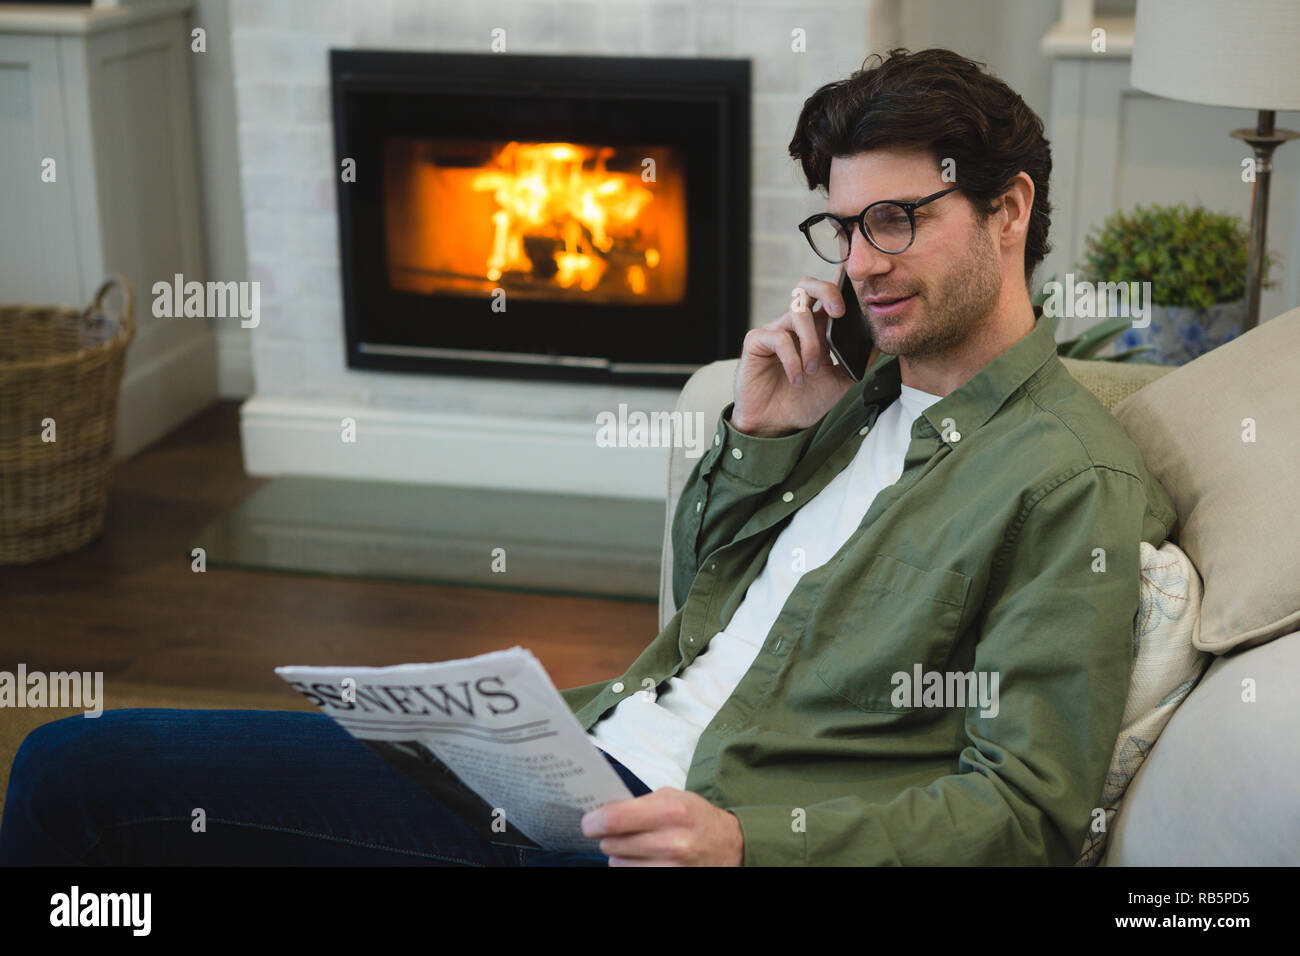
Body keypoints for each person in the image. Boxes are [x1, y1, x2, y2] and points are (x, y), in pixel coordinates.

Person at [0, 47, 1175, 867]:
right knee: (94, 767)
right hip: (575, 744)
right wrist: (764, 438)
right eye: (841, 224)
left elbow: (1021, 809)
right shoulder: (859, 392)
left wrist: (745, 844)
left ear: (1009, 210)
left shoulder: (1066, 478)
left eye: (897, 218)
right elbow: (705, 606)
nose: (861, 261)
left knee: (72, 780)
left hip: (656, 829)